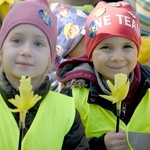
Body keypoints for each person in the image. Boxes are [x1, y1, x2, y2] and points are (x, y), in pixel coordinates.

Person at [56, 1, 150, 149]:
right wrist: (100, 145)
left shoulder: (148, 88)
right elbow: (62, 144)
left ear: (137, 51)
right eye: (106, 47)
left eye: (127, 46)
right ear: (91, 54)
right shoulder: (73, 95)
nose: (117, 57)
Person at [0, 0, 89, 149]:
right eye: (17, 40)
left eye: (38, 43)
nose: (26, 51)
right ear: (1, 52)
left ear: (51, 59)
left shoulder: (67, 111)